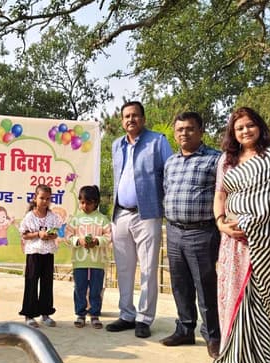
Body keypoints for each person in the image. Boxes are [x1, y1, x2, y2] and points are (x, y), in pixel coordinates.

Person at [210, 107, 270, 363]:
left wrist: (249, 222)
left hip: (262, 240)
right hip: (231, 241)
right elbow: (220, 195)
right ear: (233, 132)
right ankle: (232, 357)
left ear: (260, 126)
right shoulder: (226, 160)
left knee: (259, 299)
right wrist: (221, 223)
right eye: (239, 127)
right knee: (232, 296)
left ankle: (260, 362)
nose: (245, 131)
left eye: (250, 125)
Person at [106, 101, 172, 338]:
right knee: (124, 268)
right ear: (122, 121)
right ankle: (126, 314)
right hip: (121, 213)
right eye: (126, 116)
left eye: (135, 115)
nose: (130, 120)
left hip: (147, 213)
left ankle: (144, 318)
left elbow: (170, 174)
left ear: (143, 119)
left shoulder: (158, 141)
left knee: (148, 268)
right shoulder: (117, 145)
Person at [161, 112, 222, 358]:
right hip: (174, 230)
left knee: (205, 286)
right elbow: (166, 190)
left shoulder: (215, 159)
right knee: (180, 285)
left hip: (202, 232)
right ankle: (185, 329)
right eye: (179, 129)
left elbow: (224, 194)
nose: (184, 133)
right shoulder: (171, 162)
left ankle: (213, 336)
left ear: (200, 131)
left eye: (189, 129)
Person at [65, 185, 111, 329]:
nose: (85, 206)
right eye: (82, 202)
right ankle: (80, 314)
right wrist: (79, 241)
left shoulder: (102, 219)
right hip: (79, 262)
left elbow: (109, 237)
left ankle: (95, 315)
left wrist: (97, 241)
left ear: (96, 202)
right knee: (80, 288)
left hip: (98, 262)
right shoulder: (75, 219)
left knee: (96, 289)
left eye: (89, 203)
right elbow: (67, 237)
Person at [18, 184, 62, 328]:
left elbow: (56, 233)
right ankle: (29, 315)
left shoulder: (53, 217)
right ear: (35, 198)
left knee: (47, 283)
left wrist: (51, 235)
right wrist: (38, 234)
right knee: (31, 282)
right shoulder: (30, 216)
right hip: (34, 253)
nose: (45, 201)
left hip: (48, 253)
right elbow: (24, 234)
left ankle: (45, 313)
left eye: (48, 199)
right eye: (42, 198)